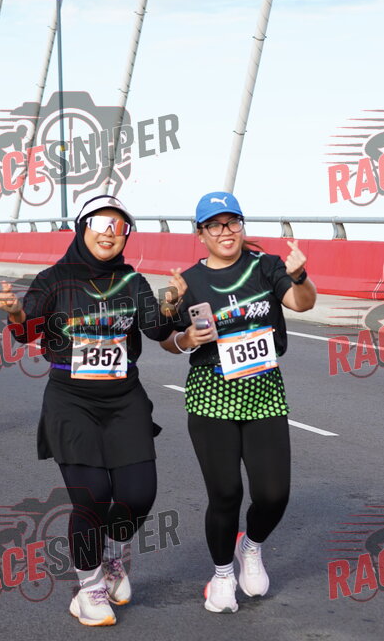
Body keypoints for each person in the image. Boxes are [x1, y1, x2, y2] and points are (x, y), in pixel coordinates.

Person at [0, 194, 184, 627]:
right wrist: (16, 313)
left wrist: (170, 304)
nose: (110, 233)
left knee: (138, 495)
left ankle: (113, 555)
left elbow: (157, 329)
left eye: (119, 227)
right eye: (101, 223)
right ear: (83, 228)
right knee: (92, 497)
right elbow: (26, 332)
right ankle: (89, 587)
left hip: (125, 400)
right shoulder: (54, 280)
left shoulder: (132, 281)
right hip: (71, 401)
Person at [161, 191, 317, 613]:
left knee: (273, 494)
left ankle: (251, 545)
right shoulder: (189, 281)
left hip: (264, 391)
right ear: (200, 234)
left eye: (232, 222)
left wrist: (300, 276)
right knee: (226, 493)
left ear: (242, 226)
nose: (225, 232)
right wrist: (186, 335)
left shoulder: (266, 267)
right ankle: (221, 574)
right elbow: (168, 341)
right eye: (214, 225)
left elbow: (302, 303)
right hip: (211, 394)